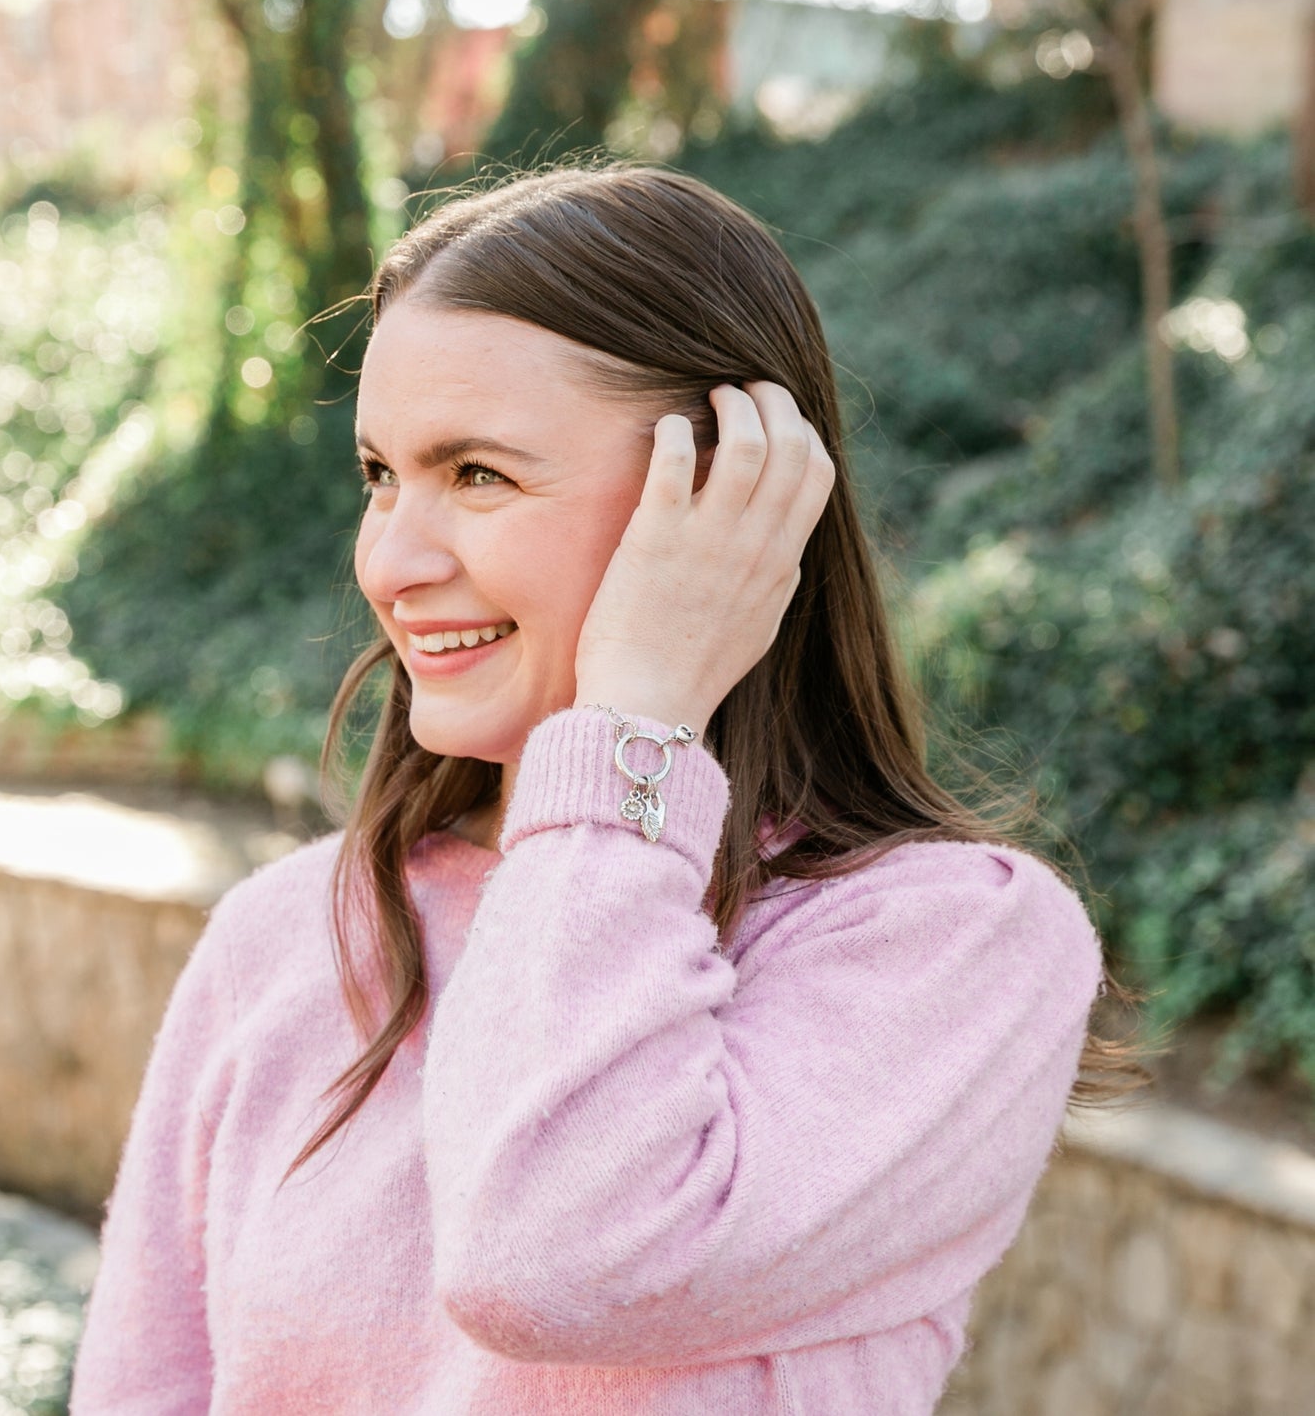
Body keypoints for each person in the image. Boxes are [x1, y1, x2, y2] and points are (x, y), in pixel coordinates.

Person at [71, 165, 1123, 1414]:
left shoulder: (947, 944)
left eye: (477, 474)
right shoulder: (288, 935)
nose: (391, 558)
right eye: (378, 474)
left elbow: (547, 1263)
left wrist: (631, 724)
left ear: (735, 495)